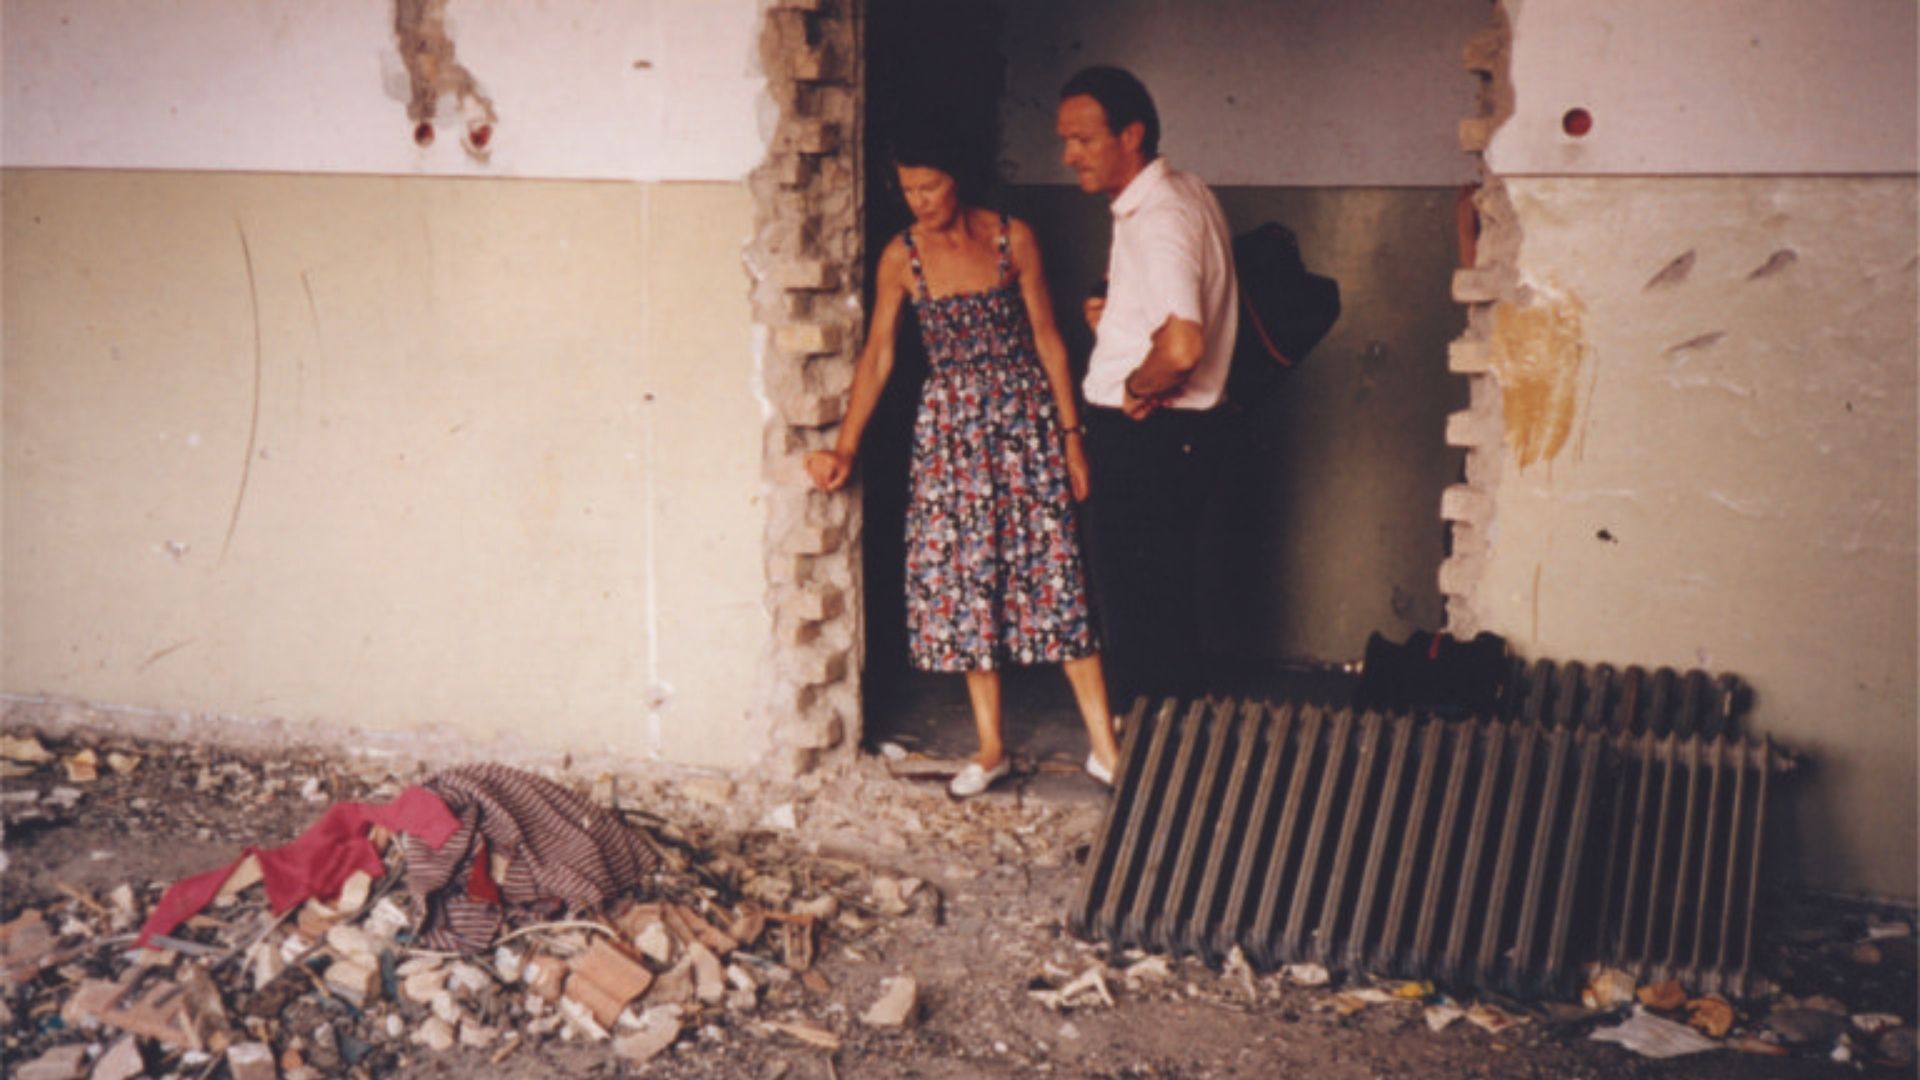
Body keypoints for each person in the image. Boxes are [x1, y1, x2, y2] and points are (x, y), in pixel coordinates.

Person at [805, 132, 1120, 798]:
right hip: (950, 435)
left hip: (1025, 425)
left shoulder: (1014, 239)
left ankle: (1104, 747)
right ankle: (991, 746)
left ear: (961, 178)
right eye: (908, 190)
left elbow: (1048, 339)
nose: (919, 202)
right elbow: (879, 357)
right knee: (967, 580)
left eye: (931, 187)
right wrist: (846, 446)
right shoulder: (903, 257)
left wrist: (1070, 437)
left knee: (1055, 572)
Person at [1057, 65, 1239, 711]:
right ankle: (1175, 755)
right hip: (1175, 437)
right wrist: (1120, 319)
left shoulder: (1159, 215)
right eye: (1065, 141)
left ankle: (1152, 762)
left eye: (1082, 139)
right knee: (1159, 600)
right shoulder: (1181, 193)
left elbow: (1184, 344)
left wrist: (1137, 384)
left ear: (1130, 134)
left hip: (1147, 436)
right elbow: (1170, 310)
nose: (1068, 154)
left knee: (1140, 607)